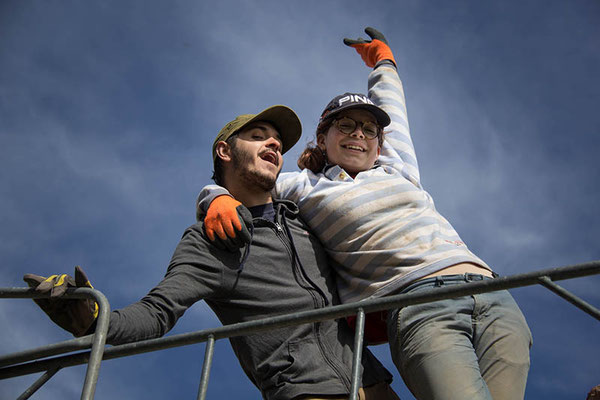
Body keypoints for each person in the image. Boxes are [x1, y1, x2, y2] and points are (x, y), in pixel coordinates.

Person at [198, 28, 533, 400]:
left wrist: (383, 63)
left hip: (492, 294)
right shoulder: (304, 187)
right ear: (322, 138)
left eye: (369, 128)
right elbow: (244, 179)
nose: (359, 133)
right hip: (420, 306)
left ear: (378, 143)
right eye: (345, 125)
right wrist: (214, 198)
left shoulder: (397, 168)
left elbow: (393, 107)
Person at [24, 105, 400, 400]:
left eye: (278, 143)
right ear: (225, 150)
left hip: (376, 384)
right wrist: (92, 320)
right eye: (258, 136)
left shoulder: (306, 218)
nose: (273, 145)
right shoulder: (209, 242)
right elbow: (157, 312)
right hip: (307, 391)